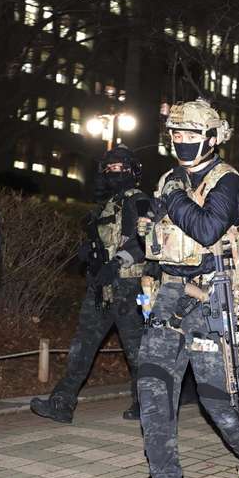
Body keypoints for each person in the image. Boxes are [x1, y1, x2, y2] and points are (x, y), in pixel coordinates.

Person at [128, 98, 239, 478]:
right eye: (176, 134)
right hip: (170, 294)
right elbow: (158, 238)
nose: (181, 141)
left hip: (212, 297)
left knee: (217, 401)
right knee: (152, 387)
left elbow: (207, 229)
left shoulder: (228, 183)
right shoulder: (169, 179)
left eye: (190, 134)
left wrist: (172, 197)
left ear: (211, 138)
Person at [31, 144, 149, 423]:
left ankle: (146, 404)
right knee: (82, 345)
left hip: (130, 287)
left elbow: (146, 241)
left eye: (119, 168)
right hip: (102, 287)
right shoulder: (107, 205)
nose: (114, 173)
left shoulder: (139, 201)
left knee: (137, 350)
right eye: (109, 169)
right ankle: (62, 402)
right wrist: (90, 253)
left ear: (131, 171)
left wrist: (117, 262)